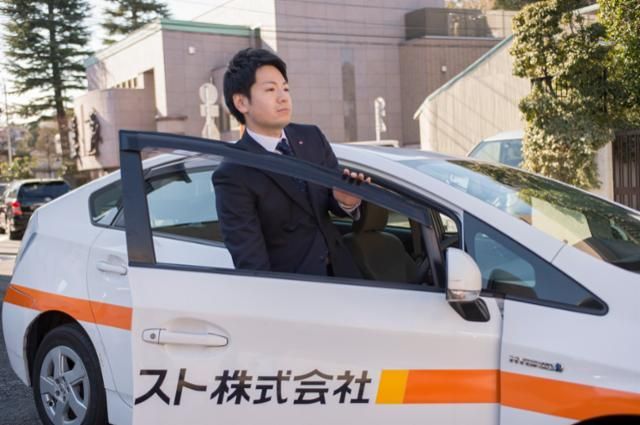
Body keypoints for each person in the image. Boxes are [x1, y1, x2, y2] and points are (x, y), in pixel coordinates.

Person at [213, 48, 369, 278]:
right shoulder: (233, 172)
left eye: (285, 88)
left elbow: (328, 202)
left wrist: (345, 202)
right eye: (270, 89)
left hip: (343, 275)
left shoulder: (312, 137)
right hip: (295, 287)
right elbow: (251, 260)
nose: (283, 97)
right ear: (241, 102)